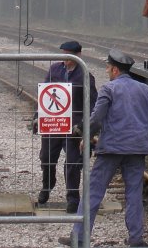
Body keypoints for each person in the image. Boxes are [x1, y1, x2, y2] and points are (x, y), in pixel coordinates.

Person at [60, 49, 148, 248]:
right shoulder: (144, 89)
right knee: (134, 193)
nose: (107, 70)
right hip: (137, 149)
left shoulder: (109, 89)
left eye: (108, 67)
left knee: (93, 192)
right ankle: (136, 239)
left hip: (112, 148)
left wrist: (82, 132)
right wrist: (142, 132)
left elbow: (97, 118)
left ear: (115, 70)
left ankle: (79, 238)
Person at [36, 40, 97, 212]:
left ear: (78, 55)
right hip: (53, 122)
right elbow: (44, 95)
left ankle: (72, 197)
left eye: (68, 56)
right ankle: (47, 185)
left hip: (74, 125)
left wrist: (86, 126)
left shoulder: (85, 75)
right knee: (47, 157)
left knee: (72, 162)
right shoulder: (54, 70)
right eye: (63, 55)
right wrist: (38, 116)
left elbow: (93, 103)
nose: (65, 60)